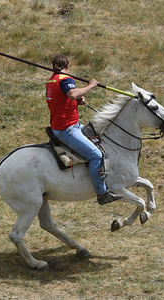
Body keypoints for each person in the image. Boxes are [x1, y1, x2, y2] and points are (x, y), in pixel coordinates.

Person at [45, 54, 123, 205]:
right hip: (67, 129)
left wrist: (75, 103)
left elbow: (61, 99)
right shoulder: (65, 79)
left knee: (99, 138)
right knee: (96, 155)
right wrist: (91, 86)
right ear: (67, 66)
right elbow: (72, 94)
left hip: (65, 124)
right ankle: (102, 193)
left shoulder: (52, 80)